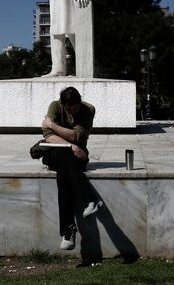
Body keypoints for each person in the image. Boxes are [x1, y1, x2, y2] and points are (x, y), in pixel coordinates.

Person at [41, 86, 101, 250]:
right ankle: (89, 198)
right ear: (63, 104)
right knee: (62, 155)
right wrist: (71, 146)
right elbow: (48, 136)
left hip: (77, 155)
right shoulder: (55, 105)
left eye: (75, 108)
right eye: (69, 109)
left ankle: (68, 231)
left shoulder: (88, 110)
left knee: (63, 172)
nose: (73, 111)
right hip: (60, 152)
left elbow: (78, 136)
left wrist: (52, 125)